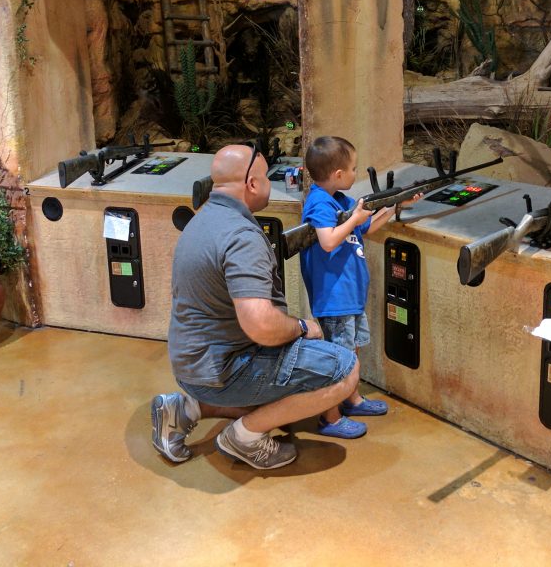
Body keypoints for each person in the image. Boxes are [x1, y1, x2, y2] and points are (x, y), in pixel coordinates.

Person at [151, 143, 360, 470]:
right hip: (223, 370)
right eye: (265, 178)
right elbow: (261, 324)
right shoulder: (241, 237)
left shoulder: (203, 219)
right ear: (251, 184)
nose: (269, 185)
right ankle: (244, 438)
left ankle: (185, 408)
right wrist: (302, 327)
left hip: (192, 366)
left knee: (283, 401)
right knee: (344, 369)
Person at [300, 136, 419, 439]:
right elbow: (328, 241)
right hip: (334, 299)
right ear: (338, 174)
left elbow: (368, 227)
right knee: (337, 359)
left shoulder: (340, 200)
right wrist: (354, 219)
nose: (356, 174)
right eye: (353, 169)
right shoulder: (319, 203)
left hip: (350, 297)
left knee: (350, 353)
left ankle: (351, 400)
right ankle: (329, 417)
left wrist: (395, 206)